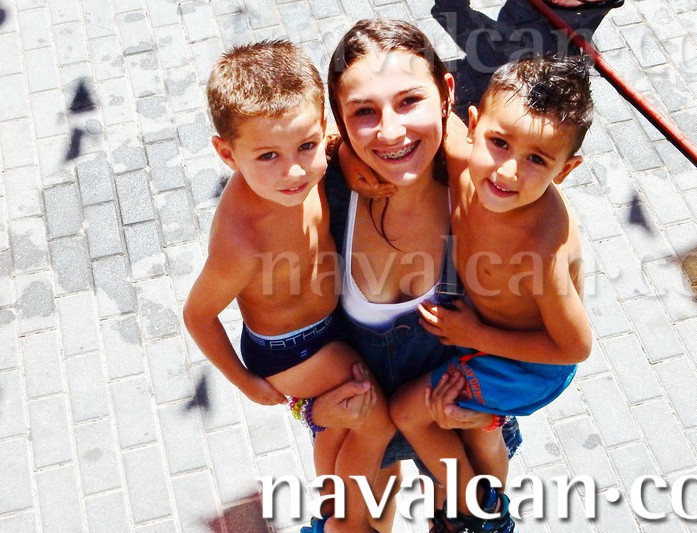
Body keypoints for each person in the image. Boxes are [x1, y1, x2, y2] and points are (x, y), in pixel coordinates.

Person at [309, 19, 523, 530]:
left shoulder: (487, 193)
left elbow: (545, 334)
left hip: (454, 422)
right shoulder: (322, 193)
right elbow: (280, 328)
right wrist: (311, 410)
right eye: (364, 111)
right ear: (338, 119)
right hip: (361, 424)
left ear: (447, 93)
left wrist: (490, 415)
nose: (390, 132)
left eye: (409, 101)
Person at [182, 40, 393, 533]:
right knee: (376, 419)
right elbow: (197, 315)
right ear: (227, 154)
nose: (294, 170)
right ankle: (343, 526)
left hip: (329, 320)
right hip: (288, 349)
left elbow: (333, 146)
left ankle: (342, 511)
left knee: (342, 431)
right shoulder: (242, 240)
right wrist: (247, 384)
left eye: (307, 146)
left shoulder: (304, 168)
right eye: (268, 155)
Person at [390, 55, 594, 532]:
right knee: (467, 423)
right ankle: (486, 432)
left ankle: (480, 515)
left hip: (527, 365)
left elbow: (574, 348)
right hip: (482, 332)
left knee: (411, 413)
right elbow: (425, 119)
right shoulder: (464, 161)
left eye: (537, 159)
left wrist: (474, 334)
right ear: (474, 125)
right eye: (499, 143)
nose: (507, 172)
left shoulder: (539, 248)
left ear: (565, 170)